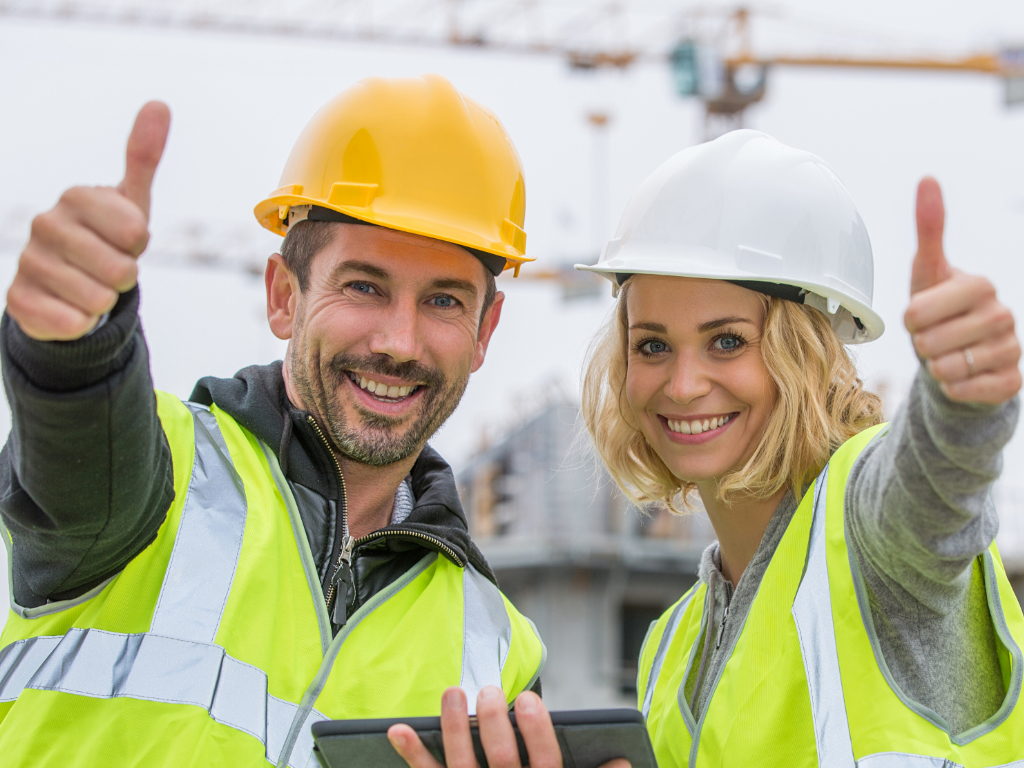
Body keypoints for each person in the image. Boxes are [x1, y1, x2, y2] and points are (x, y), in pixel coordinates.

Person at [390, 130, 1024, 768]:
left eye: (727, 341)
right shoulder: (670, 651)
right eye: (653, 345)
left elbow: (934, 488)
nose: (684, 385)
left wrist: (961, 402)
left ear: (807, 352)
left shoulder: (868, 531)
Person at [0, 74, 545, 767]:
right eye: (364, 287)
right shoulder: (153, 481)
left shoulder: (501, 652)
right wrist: (75, 340)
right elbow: (80, 431)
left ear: (484, 330)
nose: (399, 343)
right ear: (284, 295)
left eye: (442, 301)